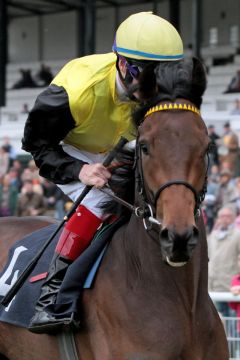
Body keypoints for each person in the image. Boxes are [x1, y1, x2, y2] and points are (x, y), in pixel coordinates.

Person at [21, 11, 184, 333]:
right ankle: (51, 295)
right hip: (69, 147)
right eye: (148, 77)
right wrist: (79, 170)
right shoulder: (75, 91)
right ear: (123, 64)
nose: (155, 91)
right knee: (100, 202)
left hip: (121, 143)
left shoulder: (158, 87)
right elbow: (36, 144)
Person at [208, 206, 240, 317]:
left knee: (232, 323)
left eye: (228, 216)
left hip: (231, 288)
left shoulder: (238, 235)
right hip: (213, 286)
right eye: (222, 216)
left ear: (234, 218)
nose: (225, 219)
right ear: (218, 218)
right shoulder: (213, 236)